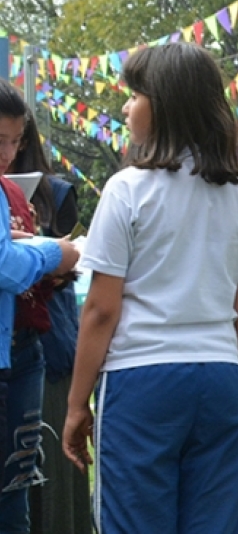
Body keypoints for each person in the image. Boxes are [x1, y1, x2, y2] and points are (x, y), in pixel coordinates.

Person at [61, 44, 238, 533]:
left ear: (165, 105)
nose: (127, 107)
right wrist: (237, 389)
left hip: (141, 380)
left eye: (136, 95)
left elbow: (100, 311)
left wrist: (75, 405)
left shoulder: (128, 189)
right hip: (221, 377)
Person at [6, 112, 90, 534]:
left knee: (43, 472)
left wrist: (43, 256)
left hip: (45, 343)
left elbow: (70, 263)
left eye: (12, 141)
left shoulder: (55, 193)